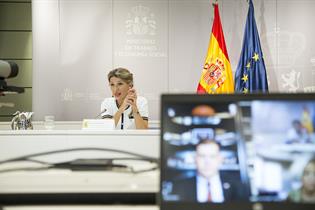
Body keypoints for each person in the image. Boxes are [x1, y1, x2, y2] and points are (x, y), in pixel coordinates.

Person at [172, 139, 247, 202]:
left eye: (212, 156)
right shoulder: (179, 186)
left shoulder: (237, 186)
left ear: (220, 159)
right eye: (202, 156)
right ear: (195, 159)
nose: (207, 162)